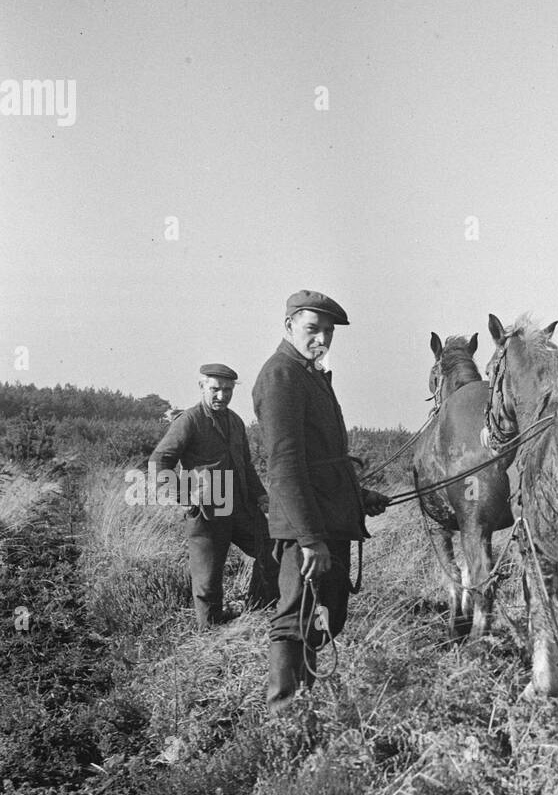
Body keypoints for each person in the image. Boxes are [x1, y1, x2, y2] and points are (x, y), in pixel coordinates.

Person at [252, 289, 388, 708]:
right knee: (294, 619)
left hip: (328, 518)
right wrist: (310, 539)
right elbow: (286, 466)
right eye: (313, 329)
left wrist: (358, 495)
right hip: (306, 528)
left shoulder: (309, 374)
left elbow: (321, 459)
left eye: (328, 332)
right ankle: (283, 715)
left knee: (324, 617)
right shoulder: (281, 376)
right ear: (289, 325)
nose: (322, 340)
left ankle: (305, 704)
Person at [149, 363, 278, 627]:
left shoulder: (235, 422)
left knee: (273, 547)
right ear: (201, 387)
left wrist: (260, 496)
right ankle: (209, 634)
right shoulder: (189, 420)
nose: (222, 395)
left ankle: (256, 608)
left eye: (228, 390)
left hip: (241, 508)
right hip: (208, 512)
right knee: (207, 582)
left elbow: (247, 465)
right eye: (215, 389)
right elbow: (159, 461)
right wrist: (185, 496)